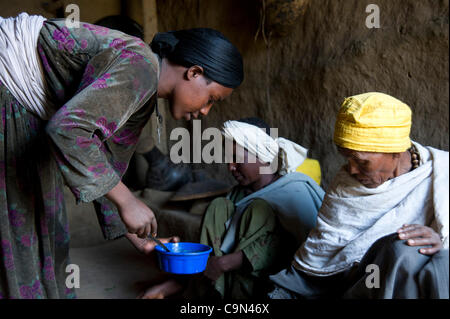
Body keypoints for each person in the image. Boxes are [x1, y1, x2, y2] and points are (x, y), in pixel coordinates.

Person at [0, 12, 243, 299]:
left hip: (23, 109)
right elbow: (67, 132)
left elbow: (104, 167)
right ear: (194, 72)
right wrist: (128, 201)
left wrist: (142, 239)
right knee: (19, 237)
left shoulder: (143, 98)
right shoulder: (140, 66)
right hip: (8, 90)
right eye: (211, 99)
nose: (205, 111)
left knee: (44, 230)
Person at [268, 92, 449, 299]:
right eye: (347, 159)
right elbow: (322, 254)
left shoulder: (443, 175)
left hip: (416, 284)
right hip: (361, 286)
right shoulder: (344, 185)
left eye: (362, 162)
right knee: (400, 251)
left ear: (396, 152)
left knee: (411, 253)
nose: (352, 170)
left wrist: (439, 242)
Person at [139, 117, 325, 299]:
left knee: (258, 209)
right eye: (228, 159)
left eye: (236, 159)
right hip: (227, 279)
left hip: (272, 283)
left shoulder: (295, 191)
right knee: (217, 207)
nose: (230, 166)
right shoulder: (237, 195)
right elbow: (216, 250)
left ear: (264, 156)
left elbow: (313, 251)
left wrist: (229, 262)